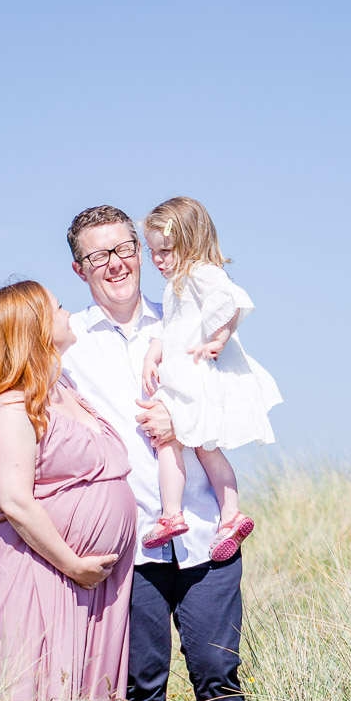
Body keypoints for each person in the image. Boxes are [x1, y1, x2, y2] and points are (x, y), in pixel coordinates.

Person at [0, 207, 249, 701]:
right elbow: (12, 415)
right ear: (79, 268)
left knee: (215, 670)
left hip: (206, 530)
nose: (118, 262)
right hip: (132, 556)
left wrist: (190, 427)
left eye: (125, 248)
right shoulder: (67, 345)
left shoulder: (186, 318)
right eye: (99, 256)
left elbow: (236, 406)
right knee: (138, 686)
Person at [0, 280, 136, 701]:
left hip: (91, 579)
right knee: (38, 693)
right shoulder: (11, 405)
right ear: (35, 327)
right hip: (42, 571)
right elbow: (17, 501)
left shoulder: (66, 390)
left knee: (89, 689)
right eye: (58, 307)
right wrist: (74, 563)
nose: (68, 312)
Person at [141, 197, 282, 560]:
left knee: (172, 442)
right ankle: (224, 515)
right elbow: (169, 327)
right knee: (200, 447)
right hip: (182, 371)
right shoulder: (176, 284)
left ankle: (178, 515)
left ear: (190, 242)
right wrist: (151, 356)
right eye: (153, 252)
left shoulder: (203, 273)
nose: (157, 260)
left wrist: (218, 338)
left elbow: (231, 301)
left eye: (165, 250)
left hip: (195, 373)